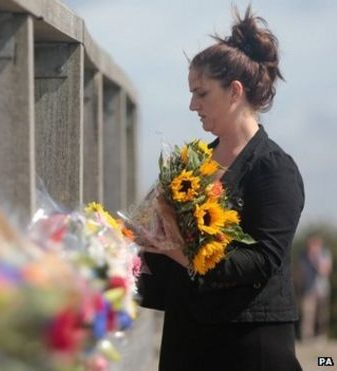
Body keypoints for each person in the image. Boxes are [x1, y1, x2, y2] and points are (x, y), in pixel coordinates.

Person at [136, 6, 305, 371]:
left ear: (235, 92)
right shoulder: (189, 164)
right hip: (187, 336)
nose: (192, 105)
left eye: (201, 93)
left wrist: (179, 252)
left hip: (248, 343)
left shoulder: (274, 168)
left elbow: (262, 260)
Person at [298, 234, 332, 340]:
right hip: (308, 288)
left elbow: (325, 271)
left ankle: (321, 336)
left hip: (322, 288)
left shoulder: (325, 254)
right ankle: (307, 336)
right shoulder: (303, 256)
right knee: (308, 314)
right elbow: (301, 272)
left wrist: (316, 259)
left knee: (322, 314)